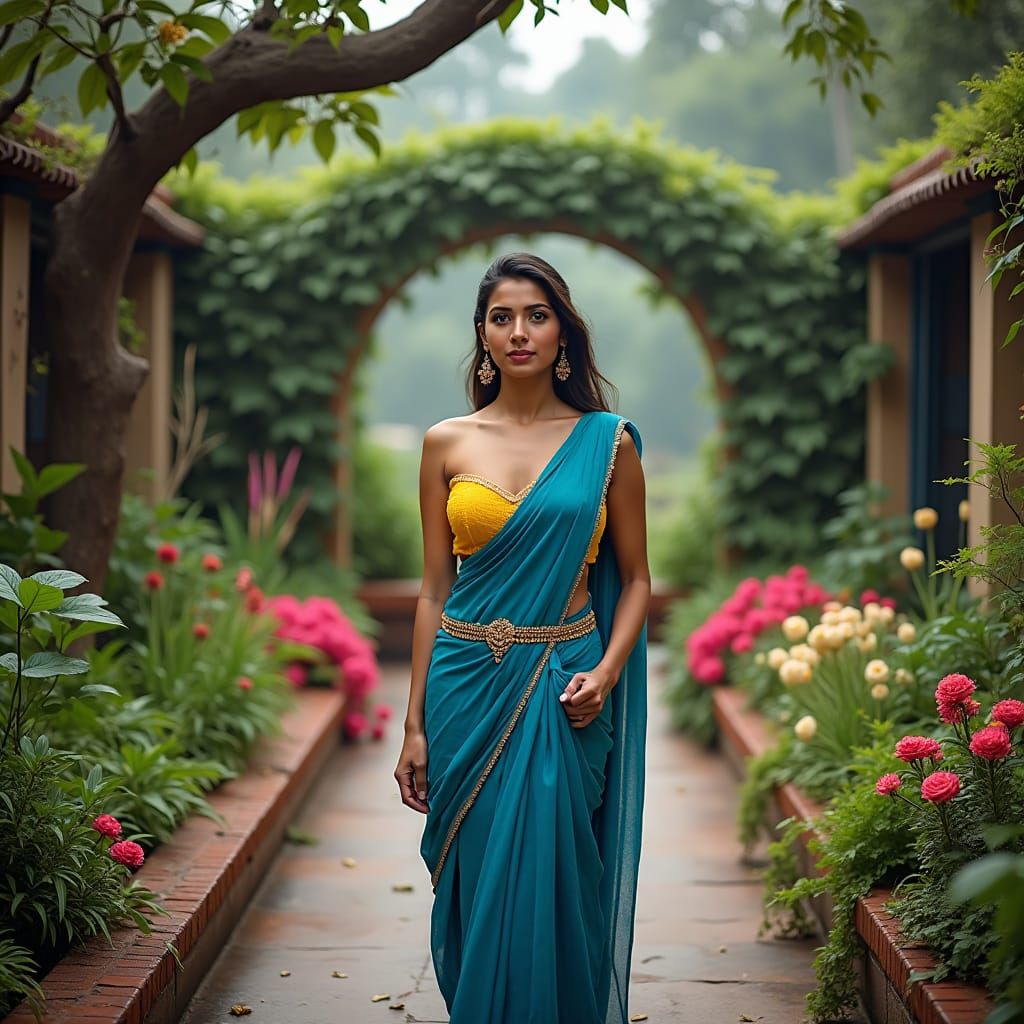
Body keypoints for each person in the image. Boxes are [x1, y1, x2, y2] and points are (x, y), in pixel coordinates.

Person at [394, 251, 650, 1024]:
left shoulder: (609, 443)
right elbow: (434, 589)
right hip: (465, 683)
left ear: (562, 332)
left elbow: (637, 580)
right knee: (478, 885)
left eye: (536, 315)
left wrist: (605, 672)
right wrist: (412, 724)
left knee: (554, 879)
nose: (518, 331)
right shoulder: (446, 441)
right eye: (501, 317)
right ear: (482, 336)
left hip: (568, 683)